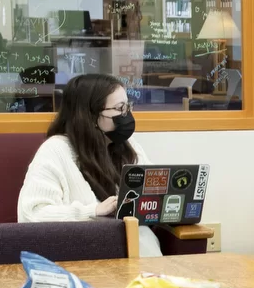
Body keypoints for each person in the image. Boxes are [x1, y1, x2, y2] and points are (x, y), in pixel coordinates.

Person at [17, 72, 162, 255]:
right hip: (84, 255)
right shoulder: (55, 151)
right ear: (91, 116)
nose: (127, 115)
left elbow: (153, 191)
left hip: (138, 253)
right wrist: (93, 211)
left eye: (128, 106)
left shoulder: (128, 146)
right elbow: (32, 215)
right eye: (119, 108)